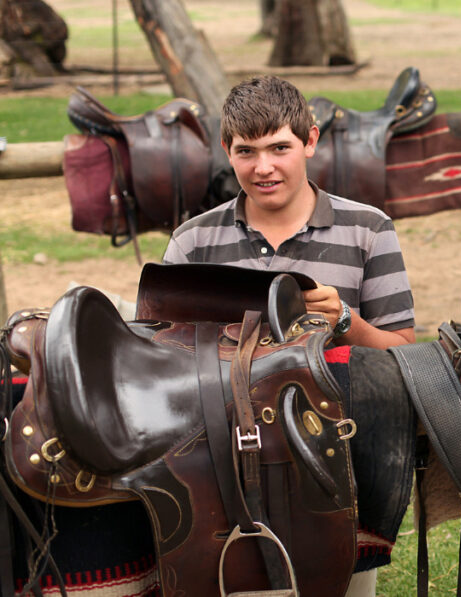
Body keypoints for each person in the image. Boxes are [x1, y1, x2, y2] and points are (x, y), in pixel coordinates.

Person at [163, 75, 414, 596]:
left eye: (280, 147)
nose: (263, 168)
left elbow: (404, 353)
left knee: (342, 579)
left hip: (330, 441)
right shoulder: (192, 241)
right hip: (216, 445)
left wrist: (346, 320)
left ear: (311, 141)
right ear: (227, 153)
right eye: (245, 152)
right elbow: (161, 357)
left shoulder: (368, 228)